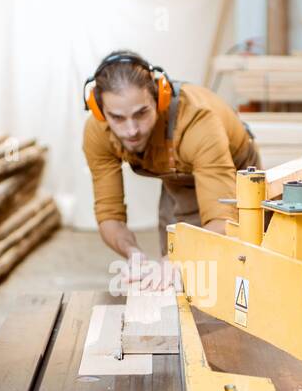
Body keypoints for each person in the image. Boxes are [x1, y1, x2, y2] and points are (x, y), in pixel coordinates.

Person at [81, 51, 261, 281]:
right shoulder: (98, 132)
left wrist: (179, 259)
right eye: (117, 118)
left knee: (233, 263)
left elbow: (223, 221)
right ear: (100, 111)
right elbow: (109, 215)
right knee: (173, 267)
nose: (131, 130)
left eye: (141, 113)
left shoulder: (198, 123)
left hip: (235, 170)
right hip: (176, 174)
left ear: (160, 98)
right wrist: (132, 253)